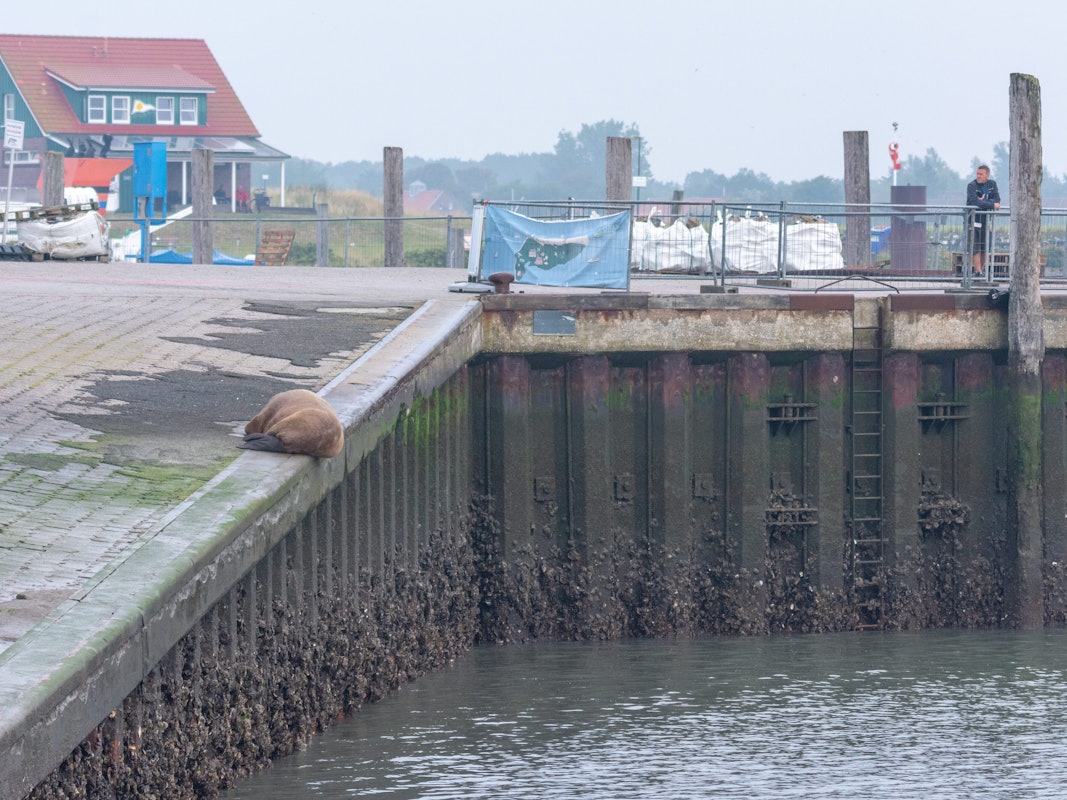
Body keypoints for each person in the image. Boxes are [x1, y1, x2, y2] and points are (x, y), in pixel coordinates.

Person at [966, 165, 1001, 276]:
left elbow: (997, 200)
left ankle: (981, 272)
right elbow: (975, 201)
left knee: (985, 247)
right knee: (974, 246)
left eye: (981, 174)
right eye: (977, 174)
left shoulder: (992, 184)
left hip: (986, 221)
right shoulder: (971, 186)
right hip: (973, 220)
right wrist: (990, 204)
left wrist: (984, 202)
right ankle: (977, 271)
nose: (978, 176)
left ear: (987, 175)